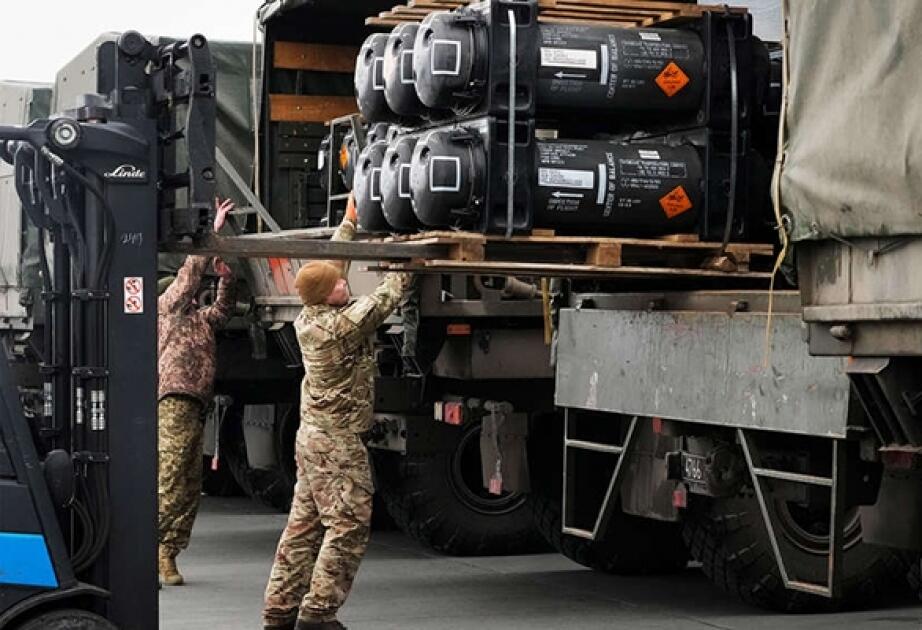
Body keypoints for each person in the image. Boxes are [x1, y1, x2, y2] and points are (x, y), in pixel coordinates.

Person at [263, 196, 412, 630]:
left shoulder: (312, 315)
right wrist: (407, 253)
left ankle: (279, 612)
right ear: (330, 297)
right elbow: (388, 296)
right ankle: (318, 614)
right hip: (337, 445)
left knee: (303, 529)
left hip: (313, 441)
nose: (346, 284)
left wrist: (347, 225)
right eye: (339, 285)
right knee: (348, 526)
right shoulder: (340, 326)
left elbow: (335, 269)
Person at [158, 198, 236, 586]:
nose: (192, 295)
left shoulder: (200, 321)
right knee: (171, 477)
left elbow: (223, 309)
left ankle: (169, 552)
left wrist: (225, 277)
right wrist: (213, 233)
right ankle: (153, 547)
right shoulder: (166, 311)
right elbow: (188, 276)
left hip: (195, 405)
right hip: (173, 401)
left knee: (190, 484)